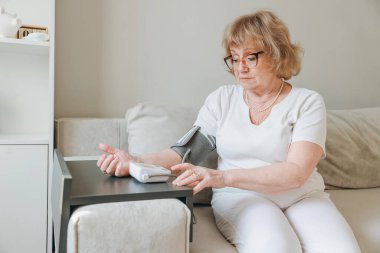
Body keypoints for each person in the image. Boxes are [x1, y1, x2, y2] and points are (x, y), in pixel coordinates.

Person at [97, 10, 361, 253]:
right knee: (277, 247)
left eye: (251, 57)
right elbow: (184, 153)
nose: (240, 67)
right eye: (235, 58)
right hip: (240, 196)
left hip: (301, 196)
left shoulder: (307, 102)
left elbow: (296, 174)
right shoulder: (222, 100)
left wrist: (221, 177)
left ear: (277, 54)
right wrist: (135, 160)